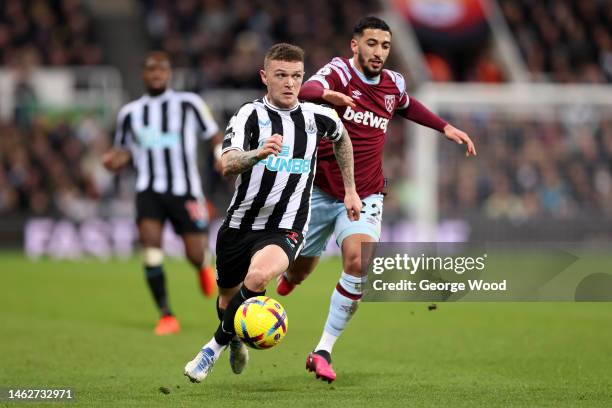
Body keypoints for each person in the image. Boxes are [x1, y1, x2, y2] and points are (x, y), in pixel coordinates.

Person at [276, 16, 477, 382]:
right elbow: (303, 90)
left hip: (366, 192)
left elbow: (407, 104)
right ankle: (291, 277)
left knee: (357, 261)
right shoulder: (338, 73)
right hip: (319, 192)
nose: (379, 52)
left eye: (384, 46)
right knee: (299, 271)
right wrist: (327, 96)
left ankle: (323, 350)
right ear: (355, 45)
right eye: (371, 44)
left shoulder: (393, 83)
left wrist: (445, 127)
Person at [183, 43, 362, 383]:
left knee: (258, 278)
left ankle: (211, 350)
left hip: (287, 225)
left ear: (303, 77)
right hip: (239, 224)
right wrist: (257, 154)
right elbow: (227, 163)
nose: (289, 83)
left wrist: (350, 189)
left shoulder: (317, 116)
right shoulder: (249, 116)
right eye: (281, 75)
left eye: (296, 76)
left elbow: (342, 139)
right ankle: (234, 337)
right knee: (227, 303)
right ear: (265, 77)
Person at [102, 51, 222, 335]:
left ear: (169, 74)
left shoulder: (189, 104)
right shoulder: (130, 113)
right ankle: (167, 315)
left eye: (162, 69)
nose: (156, 74)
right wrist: (113, 161)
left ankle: (203, 264)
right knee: (151, 248)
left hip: (186, 191)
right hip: (149, 190)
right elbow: (122, 151)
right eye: (151, 69)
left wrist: (220, 155)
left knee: (194, 253)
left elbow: (214, 134)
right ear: (144, 74)